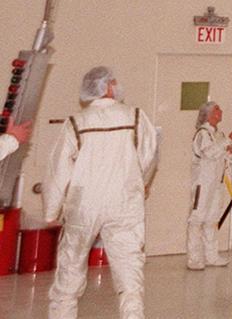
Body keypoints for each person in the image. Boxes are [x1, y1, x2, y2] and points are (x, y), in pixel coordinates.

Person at [45, 66, 157, 319]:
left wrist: (52, 209)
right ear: (106, 87)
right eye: (114, 81)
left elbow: (58, 168)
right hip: (125, 203)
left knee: (70, 269)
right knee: (130, 273)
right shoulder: (135, 116)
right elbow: (149, 155)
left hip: (84, 204)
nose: (118, 85)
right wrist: (140, 183)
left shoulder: (76, 123)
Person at [187, 101, 232, 270]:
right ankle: (194, 259)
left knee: (211, 219)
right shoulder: (203, 134)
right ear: (209, 115)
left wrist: (229, 151)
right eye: (217, 109)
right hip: (203, 183)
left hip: (216, 183)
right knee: (197, 219)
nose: (221, 111)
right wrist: (226, 143)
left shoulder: (219, 134)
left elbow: (221, 154)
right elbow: (209, 153)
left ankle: (212, 256)